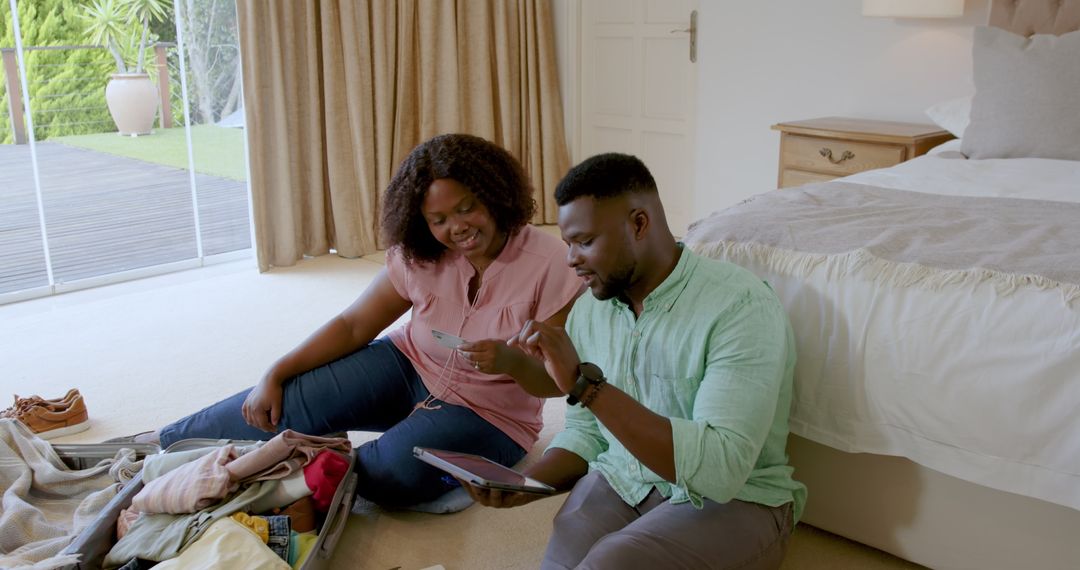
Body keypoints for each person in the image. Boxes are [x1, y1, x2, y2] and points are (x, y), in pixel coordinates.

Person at [131, 134, 582, 508]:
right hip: (411, 365)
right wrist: (276, 372)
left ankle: (287, 472)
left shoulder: (551, 264)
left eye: (466, 208)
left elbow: (556, 382)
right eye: (438, 219)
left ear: (494, 194)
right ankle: (158, 444)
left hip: (491, 414)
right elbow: (352, 326)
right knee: (284, 403)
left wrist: (510, 361)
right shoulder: (421, 254)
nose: (456, 228)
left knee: (386, 475)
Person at [461, 153, 807, 569]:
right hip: (626, 478)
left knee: (612, 561)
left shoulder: (740, 307)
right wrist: (528, 483)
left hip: (736, 499)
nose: (571, 260)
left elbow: (721, 469)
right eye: (568, 243)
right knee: (565, 554)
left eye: (585, 242)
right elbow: (587, 434)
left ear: (639, 224)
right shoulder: (593, 308)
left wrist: (584, 386)